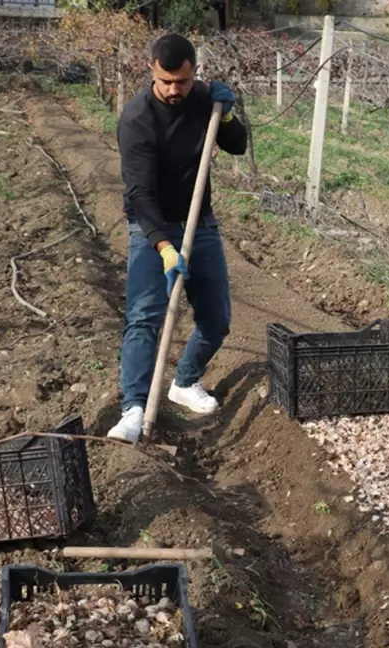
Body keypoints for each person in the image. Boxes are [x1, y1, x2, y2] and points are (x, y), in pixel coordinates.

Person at [107, 33, 247, 443]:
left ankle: (184, 382)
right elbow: (139, 195)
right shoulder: (137, 120)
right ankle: (133, 407)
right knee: (144, 318)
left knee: (216, 321)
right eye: (166, 81)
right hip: (151, 226)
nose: (173, 90)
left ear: (193, 73)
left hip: (199, 223)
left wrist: (225, 116)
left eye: (182, 82)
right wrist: (164, 248)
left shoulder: (207, 100)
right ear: (152, 69)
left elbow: (237, 146)